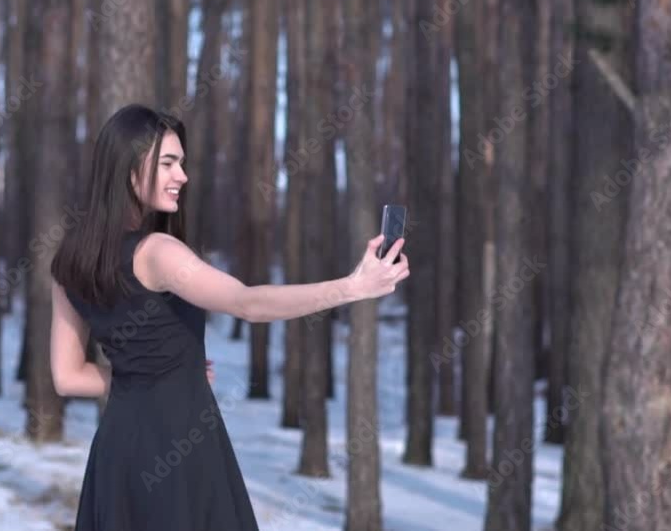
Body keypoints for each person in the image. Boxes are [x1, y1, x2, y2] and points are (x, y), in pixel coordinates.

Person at [48, 104, 409, 531]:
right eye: (168, 163)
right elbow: (248, 303)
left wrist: (147, 376)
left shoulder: (70, 261)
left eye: (182, 163)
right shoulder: (158, 252)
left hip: (117, 452)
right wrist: (352, 287)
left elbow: (67, 378)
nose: (182, 176)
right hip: (177, 446)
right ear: (129, 170)